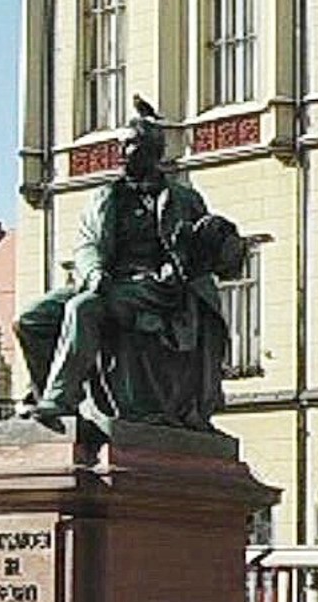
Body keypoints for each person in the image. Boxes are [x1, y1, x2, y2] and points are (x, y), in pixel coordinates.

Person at [13, 102, 247, 430]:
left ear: (153, 151)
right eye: (120, 146)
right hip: (108, 281)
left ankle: (59, 399)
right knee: (31, 318)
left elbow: (211, 251)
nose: (121, 153)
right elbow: (88, 244)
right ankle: (47, 398)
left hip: (158, 290)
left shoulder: (184, 198)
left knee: (84, 309)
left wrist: (212, 246)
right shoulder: (108, 195)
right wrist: (94, 273)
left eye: (130, 145)